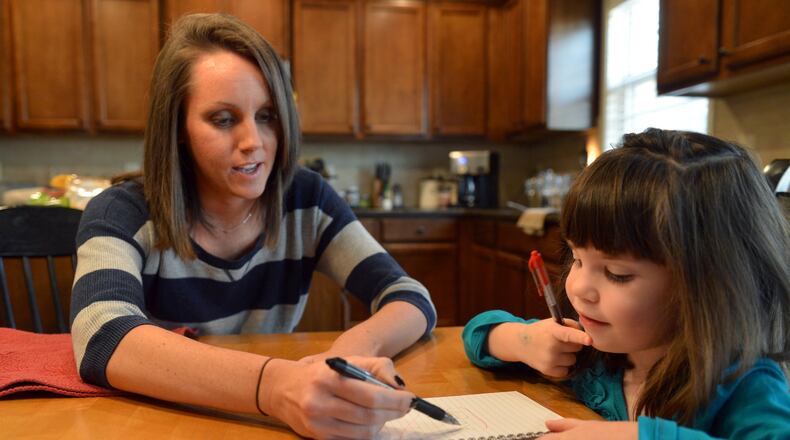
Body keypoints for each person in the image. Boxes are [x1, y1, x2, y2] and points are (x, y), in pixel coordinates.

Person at [70, 13, 436, 439]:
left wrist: (345, 357)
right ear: (179, 128)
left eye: (267, 116)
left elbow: (410, 297)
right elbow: (101, 334)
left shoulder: (307, 199)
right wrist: (275, 386)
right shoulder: (121, 213)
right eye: (223, 119)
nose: (254, 142)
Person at [463, 128, 790, 439]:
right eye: (577, 259)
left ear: (710, 284)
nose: (577, 288)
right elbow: (477, 333)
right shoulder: (591, 354)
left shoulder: (744, 387)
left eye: (617, 274)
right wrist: (524, 340)